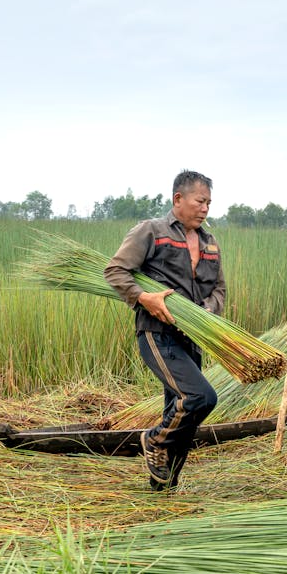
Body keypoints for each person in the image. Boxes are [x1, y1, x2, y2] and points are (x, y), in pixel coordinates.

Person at [105, 170, 224, 491]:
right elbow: (115, 271)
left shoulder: (210, 242)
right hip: (157, 335)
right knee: (200, 397)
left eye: (209, 203)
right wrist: (144, 298)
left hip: (193, 338)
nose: (205, 209)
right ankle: (154, 439)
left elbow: (219, 290)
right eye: (200, 201)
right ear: (178, 199)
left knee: (183, 413)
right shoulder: (151, 231)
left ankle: (164, 489)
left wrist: (206, 312)